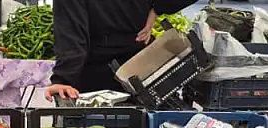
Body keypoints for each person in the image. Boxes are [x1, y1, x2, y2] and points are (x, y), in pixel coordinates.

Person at [46, 0, 193, 100]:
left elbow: (72, 32)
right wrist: (157, 9)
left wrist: (63, 79)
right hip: (141, 71)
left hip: (95, 79)